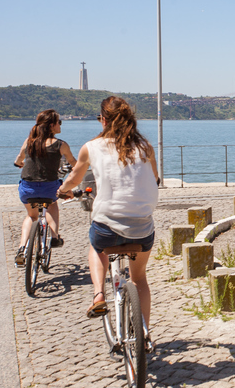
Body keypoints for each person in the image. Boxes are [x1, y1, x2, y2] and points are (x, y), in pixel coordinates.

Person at [58, 96, 159, 330]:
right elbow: (154, 178)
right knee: (140, 278)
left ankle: (98, 296)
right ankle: (143, 334)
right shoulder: (145, 147)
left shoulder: (91, 147)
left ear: (103, 120)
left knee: (95, 245)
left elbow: (74, 178)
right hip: (142, 227)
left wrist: (62, 190)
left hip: (107, 229)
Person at [13, 110, 77, 266]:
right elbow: (76, 165)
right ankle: (54, 237)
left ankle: (22, 248)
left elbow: (18, 161)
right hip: (50, 188)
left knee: (31, 216)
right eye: (59, 122)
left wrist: (21, 163)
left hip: (28, 188)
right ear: (52, 125)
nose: (60, 125)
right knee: (53, 204)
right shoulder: (61, 145)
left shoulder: (29, 142)